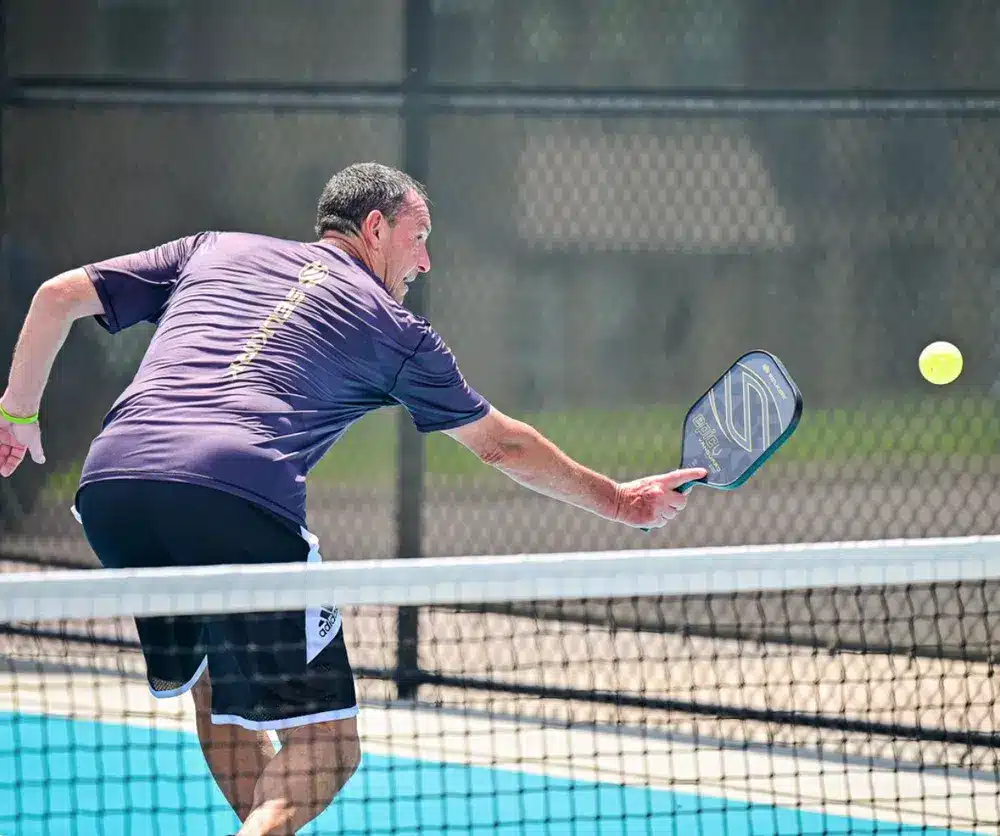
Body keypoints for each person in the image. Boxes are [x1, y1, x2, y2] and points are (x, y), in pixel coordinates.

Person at [0, 162, 706, 835]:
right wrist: (619, 501)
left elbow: (56, 297)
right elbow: (501, 445)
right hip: (234, 495)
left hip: (113, 489)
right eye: (418, 238)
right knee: (330, 748)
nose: (425, 262)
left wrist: (18, 413)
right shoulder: (396, 330)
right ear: (374, 229)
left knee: (219, 692)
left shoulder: (213, 247)